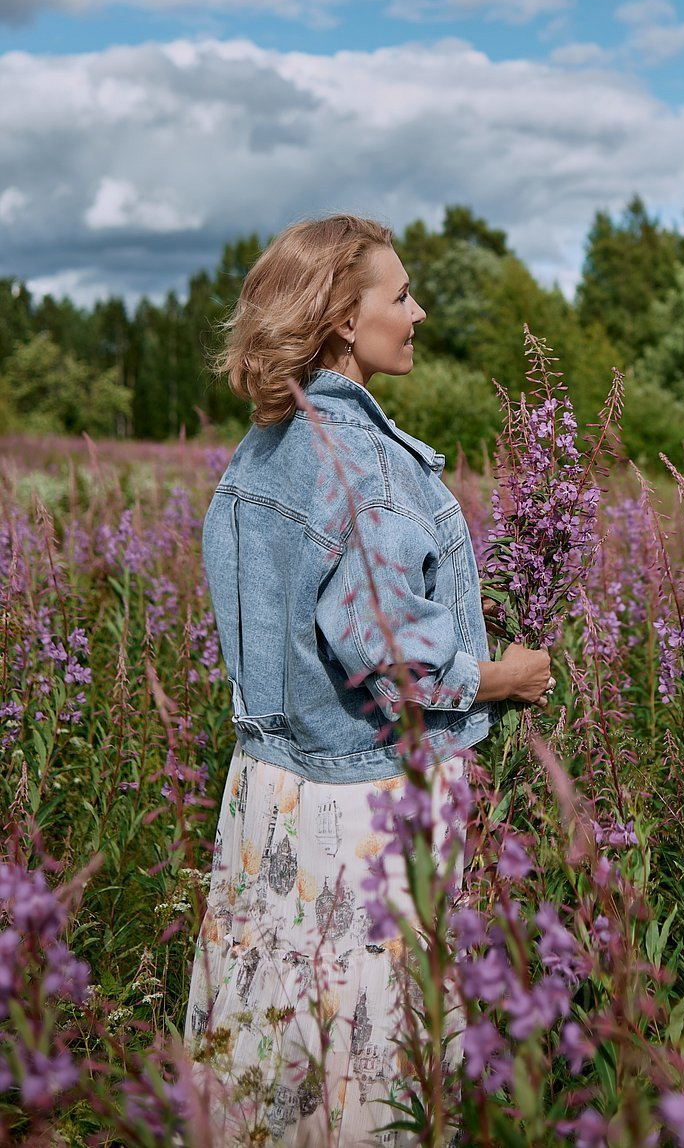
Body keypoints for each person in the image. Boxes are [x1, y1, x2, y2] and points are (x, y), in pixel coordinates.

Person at [184, 213, 552, 1146]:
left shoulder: (257, 454)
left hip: (265, 796)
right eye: (399, 295)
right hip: (358, 807)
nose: (418, 311)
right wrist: (504, 678)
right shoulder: (368, 468)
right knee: (374, 1060)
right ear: (345, 318)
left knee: (270, 1047)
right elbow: (398, 662)